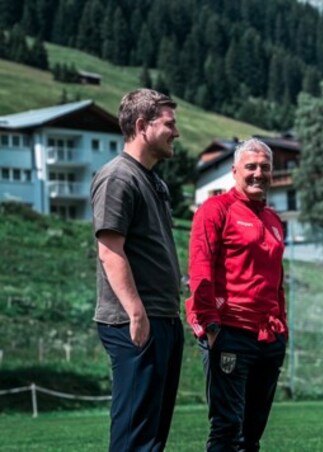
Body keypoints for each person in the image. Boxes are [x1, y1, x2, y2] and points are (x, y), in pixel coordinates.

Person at [91, 88, 184, 451]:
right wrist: (136, 312)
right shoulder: (118, 177)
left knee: (152, 436)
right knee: (135, 436)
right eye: (169, 124)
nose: (176, 133)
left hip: (162, 319)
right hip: (135, 321)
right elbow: (110, 251)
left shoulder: (154, 181)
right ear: (143, 125)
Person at [185, 138, 288, 451]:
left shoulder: (273, 220)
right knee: (228, 431)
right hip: (229, 333)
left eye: (265, 167)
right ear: (234, 171)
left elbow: (277, 280)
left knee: (252, 434)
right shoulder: (215, 210)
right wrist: (211, 327)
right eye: (251, 167)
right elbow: (200, 270)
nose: (259, 173)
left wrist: (283, 326)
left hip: (269, 339)